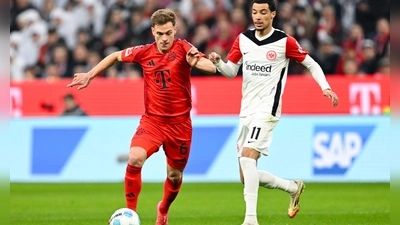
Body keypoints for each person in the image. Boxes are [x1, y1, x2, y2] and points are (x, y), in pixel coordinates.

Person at [67, 9, 216, 225]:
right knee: (135, 158)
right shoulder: (144, 52)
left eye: (168, 33)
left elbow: (209, 66)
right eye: (160, 34)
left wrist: (197, 62)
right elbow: (115, 56)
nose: (164, 39)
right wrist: (90, 75)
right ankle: (130, 214)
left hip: (180, 125)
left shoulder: (184, 47)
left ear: (175, 30)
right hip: (152, 121)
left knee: (175, 176)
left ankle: (163, 208)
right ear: (153, 31)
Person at [207, 1, 339, 224]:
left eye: (263, 12)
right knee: (246, 175)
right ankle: (292, 187)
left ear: (273, 14)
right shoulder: (243, 39)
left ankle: (250, 220)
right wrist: (219, 63)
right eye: (255, 12)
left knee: (248, 159)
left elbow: (311, 63)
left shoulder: (284, 41)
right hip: (246, 111)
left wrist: (325, 86)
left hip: (267, 110)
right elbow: (231, 72)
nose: (258, 16)